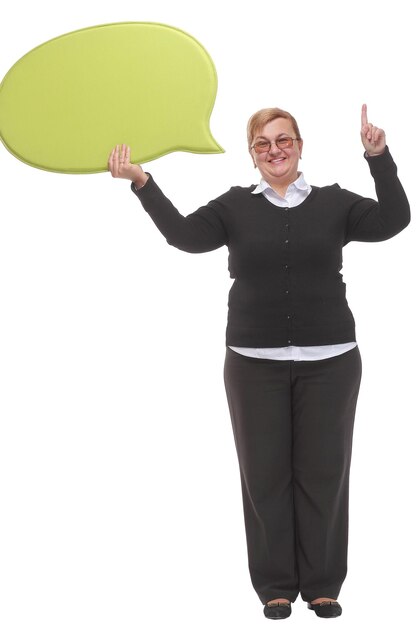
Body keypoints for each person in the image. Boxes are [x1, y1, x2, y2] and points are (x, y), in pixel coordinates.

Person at [108, 105, 410, 620]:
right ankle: (274, 584)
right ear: (252, 154)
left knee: (324, 474)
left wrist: (378, 157)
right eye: (263, 143)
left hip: (331, 362)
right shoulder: (234, 207)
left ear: (299, 144)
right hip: (253, 365)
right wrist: (143, 182)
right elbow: (184, 236)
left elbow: (394, 221)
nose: (275, 150)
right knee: (264, 476)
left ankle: (322, 585)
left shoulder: (335, 203)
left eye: (283, 139)